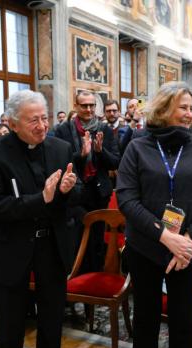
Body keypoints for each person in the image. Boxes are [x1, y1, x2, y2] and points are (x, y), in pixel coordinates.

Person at [116, 81, 192, 348]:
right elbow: (126, 199)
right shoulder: (137, 147)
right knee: (145, 320)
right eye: (183, 107)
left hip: (187, 250)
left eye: (191, 107)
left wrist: (187, 239)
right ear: (163, 110)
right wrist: (165, 236)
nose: (190, 113)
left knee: (184, 321)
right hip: (144, 247)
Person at [0, 90, 81, 348]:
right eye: (33, 120)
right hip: (10, 247)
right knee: (10, 325)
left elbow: (75, 198)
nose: (42, 125)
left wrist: (68, 191)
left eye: (44, 118)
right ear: (12, 124)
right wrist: (41, 199)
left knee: (52, 320)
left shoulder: (61, 148)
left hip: (52, 245)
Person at [54, 90, 120, 272]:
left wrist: (100, 152)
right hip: (75, 193)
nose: (89, 109)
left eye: (92, 105)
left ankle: (94, 283)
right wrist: (81, 156)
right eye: (84, 106)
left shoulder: (103, 128)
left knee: (96, 241)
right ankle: (76, 282)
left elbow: (115, 161)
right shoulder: (63, 129)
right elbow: (59, 161)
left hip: (99, 192)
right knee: (75, 240)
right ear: (76, 106)